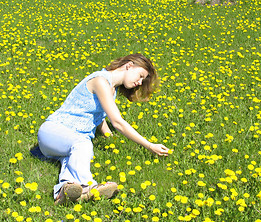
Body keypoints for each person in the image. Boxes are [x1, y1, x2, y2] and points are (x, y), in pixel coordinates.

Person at [37, 53, 170, 205]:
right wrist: (150, 145)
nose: (139, 82)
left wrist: (111, 139)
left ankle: (65, 192)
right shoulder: (100, 81)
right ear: (129, 65)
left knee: (76, 156)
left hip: (65, 143)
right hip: (53, 131)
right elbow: (117, 122)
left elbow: (98, 118)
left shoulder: (112, 89)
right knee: (82, 145)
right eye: (140, 76)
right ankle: (90, 187)